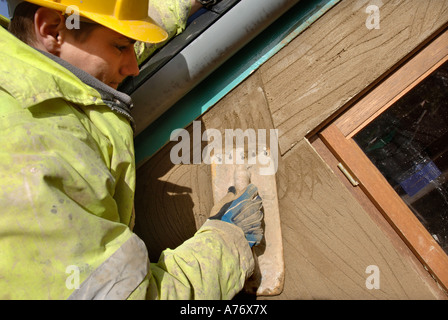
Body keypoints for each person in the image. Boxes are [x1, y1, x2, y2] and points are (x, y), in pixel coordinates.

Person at [0, 0, 264, 300]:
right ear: (51, 30)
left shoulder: (22, 69)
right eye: (120, 47)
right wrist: (227, 246)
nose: (133, 68)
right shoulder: (34, 153)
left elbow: (98, 37)